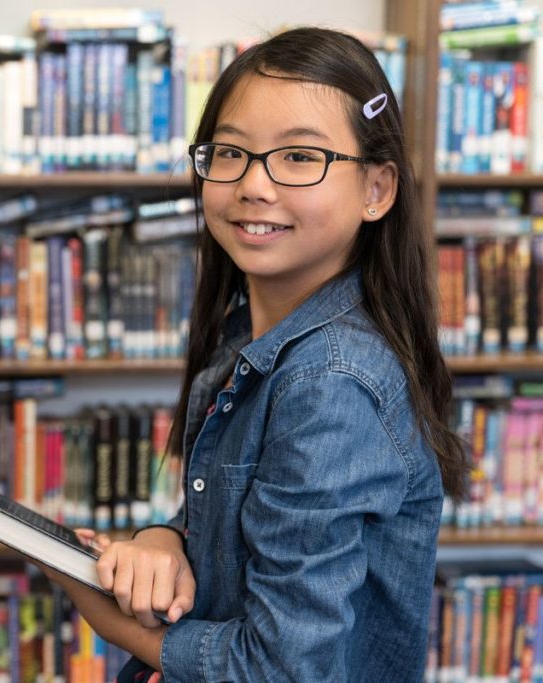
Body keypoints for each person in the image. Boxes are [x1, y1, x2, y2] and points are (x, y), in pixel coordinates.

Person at [39, 27, 467, 682]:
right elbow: (239, 533)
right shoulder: (249, 333)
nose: (254, 185)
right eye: (232, 152)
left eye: (299, 157)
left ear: (377, 189)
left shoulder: (331, 382)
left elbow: (282, 667)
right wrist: (166, 539)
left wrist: (108, 616)